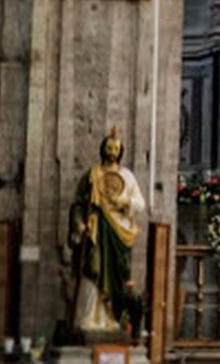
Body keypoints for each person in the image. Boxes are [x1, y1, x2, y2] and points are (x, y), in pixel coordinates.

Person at [69, 126, 145, 332]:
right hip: (96, 231)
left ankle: (111, 319)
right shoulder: (92, 174)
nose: (112, 152)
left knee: (117, 278)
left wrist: (124, 200)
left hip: (119, 232)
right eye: (109, 147)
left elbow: (140, 203)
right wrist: (79, 224)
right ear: (103, 149)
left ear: (121, 151)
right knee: (92, 270)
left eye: (116, 148)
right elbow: (77, 203)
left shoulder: (127, 176)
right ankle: (87, 319)